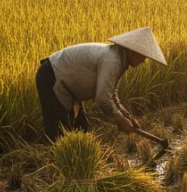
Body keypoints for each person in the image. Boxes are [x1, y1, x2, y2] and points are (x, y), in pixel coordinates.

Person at [36, 28, 168, 142]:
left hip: (67, 88)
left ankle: (75, 165)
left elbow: (111, 93)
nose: (144, 60)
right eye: (143, 55)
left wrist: (127, 117)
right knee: (60, 132)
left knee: (81, 130)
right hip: (51, 77)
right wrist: (120, 120)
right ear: (134, 51)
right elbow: (103, 98)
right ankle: (55, 167)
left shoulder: (119, 59)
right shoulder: (113, 60)